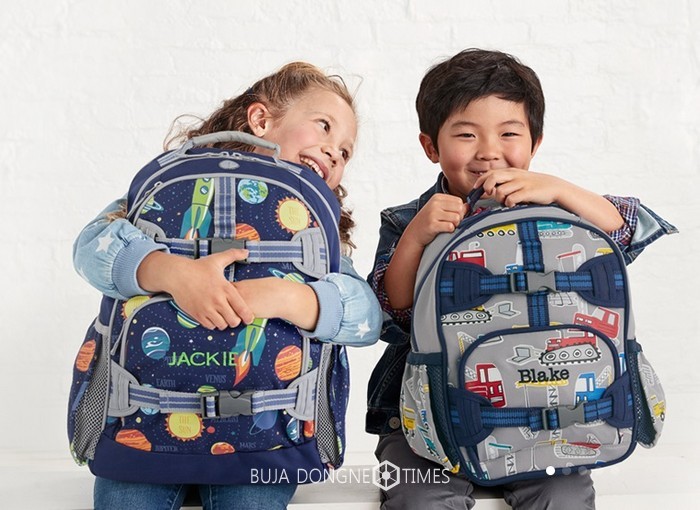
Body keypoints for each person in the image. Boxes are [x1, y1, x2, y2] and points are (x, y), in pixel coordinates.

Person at [366, 48, 677, 510]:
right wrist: (415, 238)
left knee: (564, 500)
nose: (489, 151)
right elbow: (390, 314)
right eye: (466, 134)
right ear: (431, 146)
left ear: (535, 143)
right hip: (428, 422)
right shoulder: (410, 219)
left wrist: (561, 190)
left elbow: (630, 228)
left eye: (509, 133)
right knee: (419, 500)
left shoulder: (558, 211)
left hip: (553, 423)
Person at [73, 61, 382, 510]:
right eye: (323, 126)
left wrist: (290, 297)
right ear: (261, 120)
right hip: (142, 435)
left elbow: (367, 319)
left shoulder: (314, 230)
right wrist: (173, 273)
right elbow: (90, 248)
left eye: (346, 151)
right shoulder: (168, 189)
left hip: (263, 442)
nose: (334, 152)